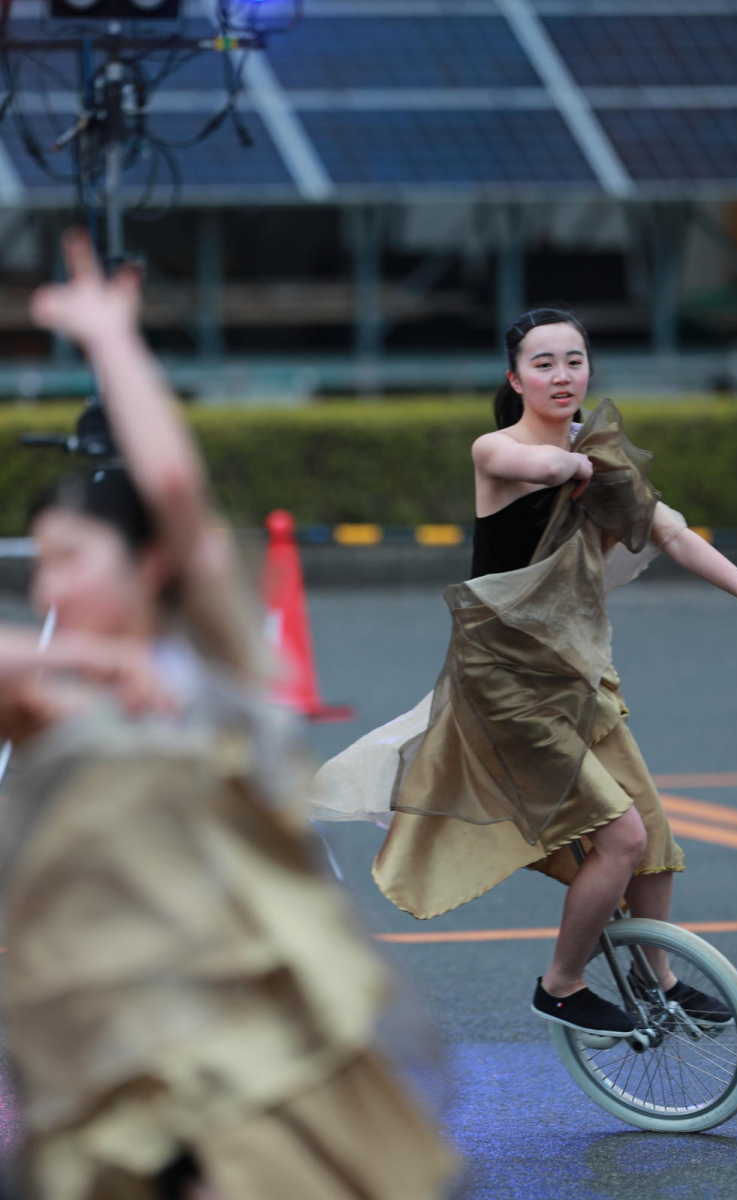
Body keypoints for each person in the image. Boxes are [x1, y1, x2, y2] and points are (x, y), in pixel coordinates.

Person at [0, 230, 455, 1200]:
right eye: (40, 563)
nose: (50, 583)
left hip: (255, 1033)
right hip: (120, 1045)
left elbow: (175, 490)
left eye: (71, 557)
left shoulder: (214, 665)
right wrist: (81, 654)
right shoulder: (46, 689)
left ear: (149, 566)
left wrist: (112, 340)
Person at [312, 306, 737, 1038]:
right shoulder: (497, 448)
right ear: (516, 378)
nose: (562, 375)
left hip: (578, 676)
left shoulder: (599, 455)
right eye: (543, 363)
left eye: (574, 360)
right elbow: (538, 465)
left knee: (655, 837)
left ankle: (653, 976)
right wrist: (579, 464)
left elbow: (672, 533)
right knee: (622, 838)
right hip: (503, 682)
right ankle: (562, 984)